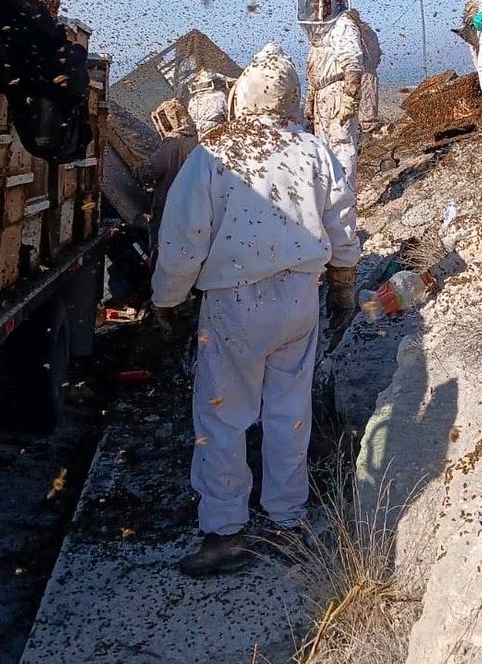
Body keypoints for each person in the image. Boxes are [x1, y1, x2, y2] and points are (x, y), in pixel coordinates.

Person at [151, 43, 359, 578]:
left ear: (242, 95)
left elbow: (182, 241)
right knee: (290, 411)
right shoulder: (314, 150)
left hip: (235, 305)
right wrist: (341, 289)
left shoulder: (214, 156)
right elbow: (341, 227)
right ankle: (288, 522)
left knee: (223, 415)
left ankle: (225, 533)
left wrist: (166, 302)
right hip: (299, 300)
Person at [297, 0, 364, 191]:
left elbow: (353, 63)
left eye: (321, 3)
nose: (316, 8)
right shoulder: (318, 36)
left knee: (342, 147)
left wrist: (349, 98)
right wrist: (310, 103)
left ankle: (344, 198)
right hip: (322, 95)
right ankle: (331, 201)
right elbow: (314, 74)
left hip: (338, 92)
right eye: (313, 4)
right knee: (324, 150)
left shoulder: (343, 25)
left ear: (332, 4)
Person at [141, 98, 198, 249]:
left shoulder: (174, 140)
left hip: (170, 204)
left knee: (162, 247)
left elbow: (153, 169)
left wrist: (140, 169)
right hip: (194, 204)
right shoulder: (198, 137)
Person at [353, 13, 382, 134]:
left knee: (367, 118)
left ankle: (366, 142)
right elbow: (378, 55)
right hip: (368, 74)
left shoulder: (356, 32)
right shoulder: (369, 32)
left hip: (363, 74)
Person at [187, 69, 229, 140]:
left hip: (201, 138)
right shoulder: (220, 96)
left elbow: (191, 121)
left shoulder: (192, 101)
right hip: (220, 133)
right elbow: (230, 115)